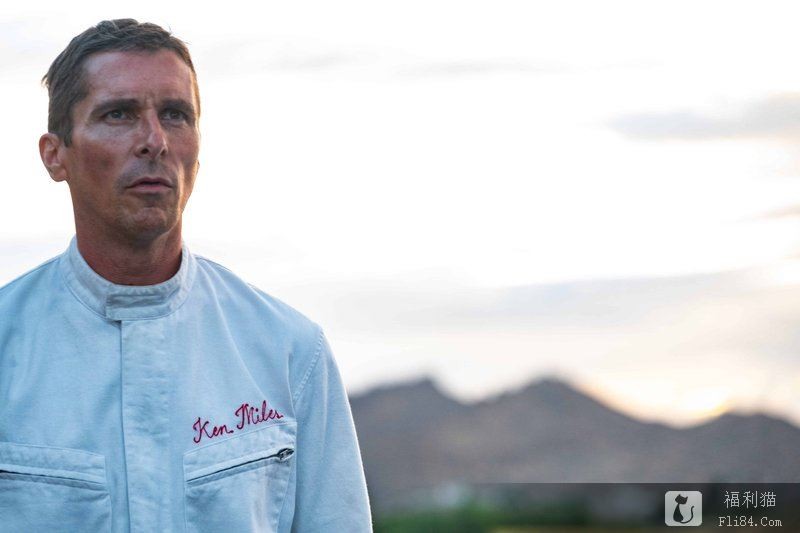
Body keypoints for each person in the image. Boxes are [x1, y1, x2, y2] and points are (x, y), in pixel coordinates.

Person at [0, 19, 372, 532]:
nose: (154, 140)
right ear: (55, 154)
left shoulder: (288, 352)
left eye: (175, 115)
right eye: (118, 114)